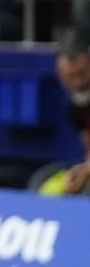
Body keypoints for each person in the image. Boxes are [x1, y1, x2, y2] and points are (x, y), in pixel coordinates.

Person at [54, 40, 90, 193]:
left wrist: (86, 171)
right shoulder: (73, 105)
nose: (78, 82)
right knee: (43, 178)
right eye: (70, 76)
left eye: (83, 73)